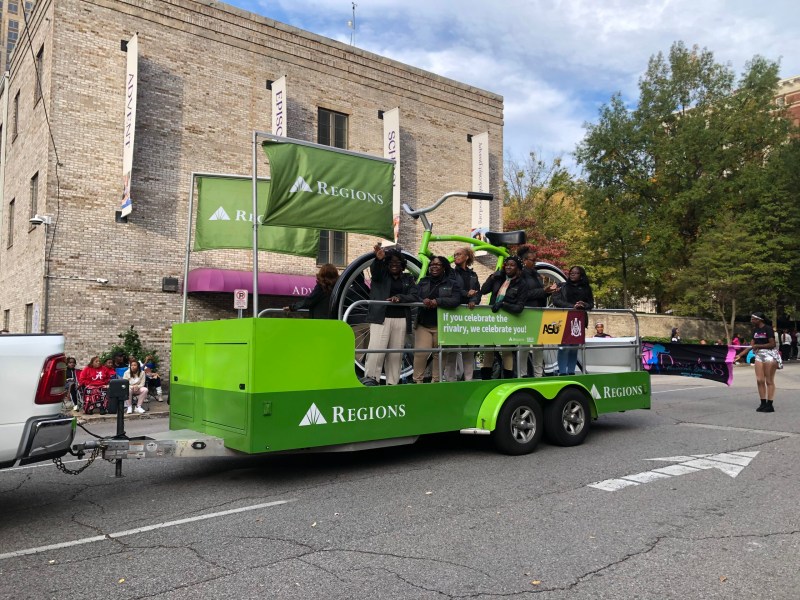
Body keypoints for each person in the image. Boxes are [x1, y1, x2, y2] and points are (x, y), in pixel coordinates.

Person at [363, 244, 418, 385]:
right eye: (391, 262)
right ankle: (370, 381)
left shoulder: (408, 279)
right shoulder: (381, 276)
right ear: (387, 264)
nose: (394, 265)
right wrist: (379, 259)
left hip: (400, 320)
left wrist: (400, 297)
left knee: (395, 356)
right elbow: (375, 272)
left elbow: (414, 295)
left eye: (397, 262)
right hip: (381, 318)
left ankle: (392, 384)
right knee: (376, 353)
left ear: (402, 265)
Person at [412, 256, 462, 383]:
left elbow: (456, 300)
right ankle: (417, 381)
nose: (434, 267)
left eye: (438, 264)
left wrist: (438, 301)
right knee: (421, 353)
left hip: (442, 325)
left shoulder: (452, 283)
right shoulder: (423, 281)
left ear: (444, 267)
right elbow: (414, 295)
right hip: (423, 324)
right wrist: (423, 301)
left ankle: (436, 381)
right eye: (432, 264)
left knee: (440, 355)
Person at [479, 256, 530, 379]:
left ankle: (507, 378)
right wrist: (492, 277)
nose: (508, 267)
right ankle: (486, 379)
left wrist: (503, 304)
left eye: (512, 265)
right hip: (492, 319)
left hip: (508, 321)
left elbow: (519, 307)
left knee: (506, 350)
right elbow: (484, 290)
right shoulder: (498, 278)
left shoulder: (522, 284)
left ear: (518, 268)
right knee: (488, 349)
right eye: (507, 264)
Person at [517, 246, 557, 377]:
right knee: (524, 345)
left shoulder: (537, 275)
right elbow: (523, 294)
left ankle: (538, 373)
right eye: (532, 260)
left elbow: (539, 293)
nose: (534, 263)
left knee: (538, 345)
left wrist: (547, 292)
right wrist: (542, 291)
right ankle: (522, 374)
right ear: (524, 260)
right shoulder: (520, 274)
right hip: (526, 313)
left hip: (539, 313)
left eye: (535, 260)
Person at [444, 246, 481, 381]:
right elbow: (453, 289)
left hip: (469, 315)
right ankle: (450, 379)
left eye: (459, 254)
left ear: (466, 257)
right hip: (455, 314)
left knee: (468, 350)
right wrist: (467, 294)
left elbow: (478, 292)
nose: (456, 257)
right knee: (452, 349)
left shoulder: (473, 275)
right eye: (454, 255)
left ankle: (468, 379)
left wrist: (473, 301)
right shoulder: (451, 273)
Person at [552, 265, 594, 376]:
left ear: (581, 276)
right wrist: (572, 306)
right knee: (564, 346)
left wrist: (583, 304)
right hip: (564, 318)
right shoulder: (562, 286)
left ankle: (571, 372)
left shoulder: (586, 288)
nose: (572, 274)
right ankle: (562, 372)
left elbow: (591, 304)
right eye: (571, 272)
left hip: (579, 320)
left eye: (576, 273)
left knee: (574, 347)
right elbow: (556, 300)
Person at [735, 312, 780, 413]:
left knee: (769, 381)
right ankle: (763, 403)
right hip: (759, 355)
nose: (751, 321)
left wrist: (758, 346)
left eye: (753, 319)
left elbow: (772, 344)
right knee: (759, 380)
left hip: (769, 355)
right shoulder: (755, 330)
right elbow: (751, 345)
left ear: (759, 319)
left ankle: (770, 404)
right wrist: (740, 355)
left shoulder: (768, 329)